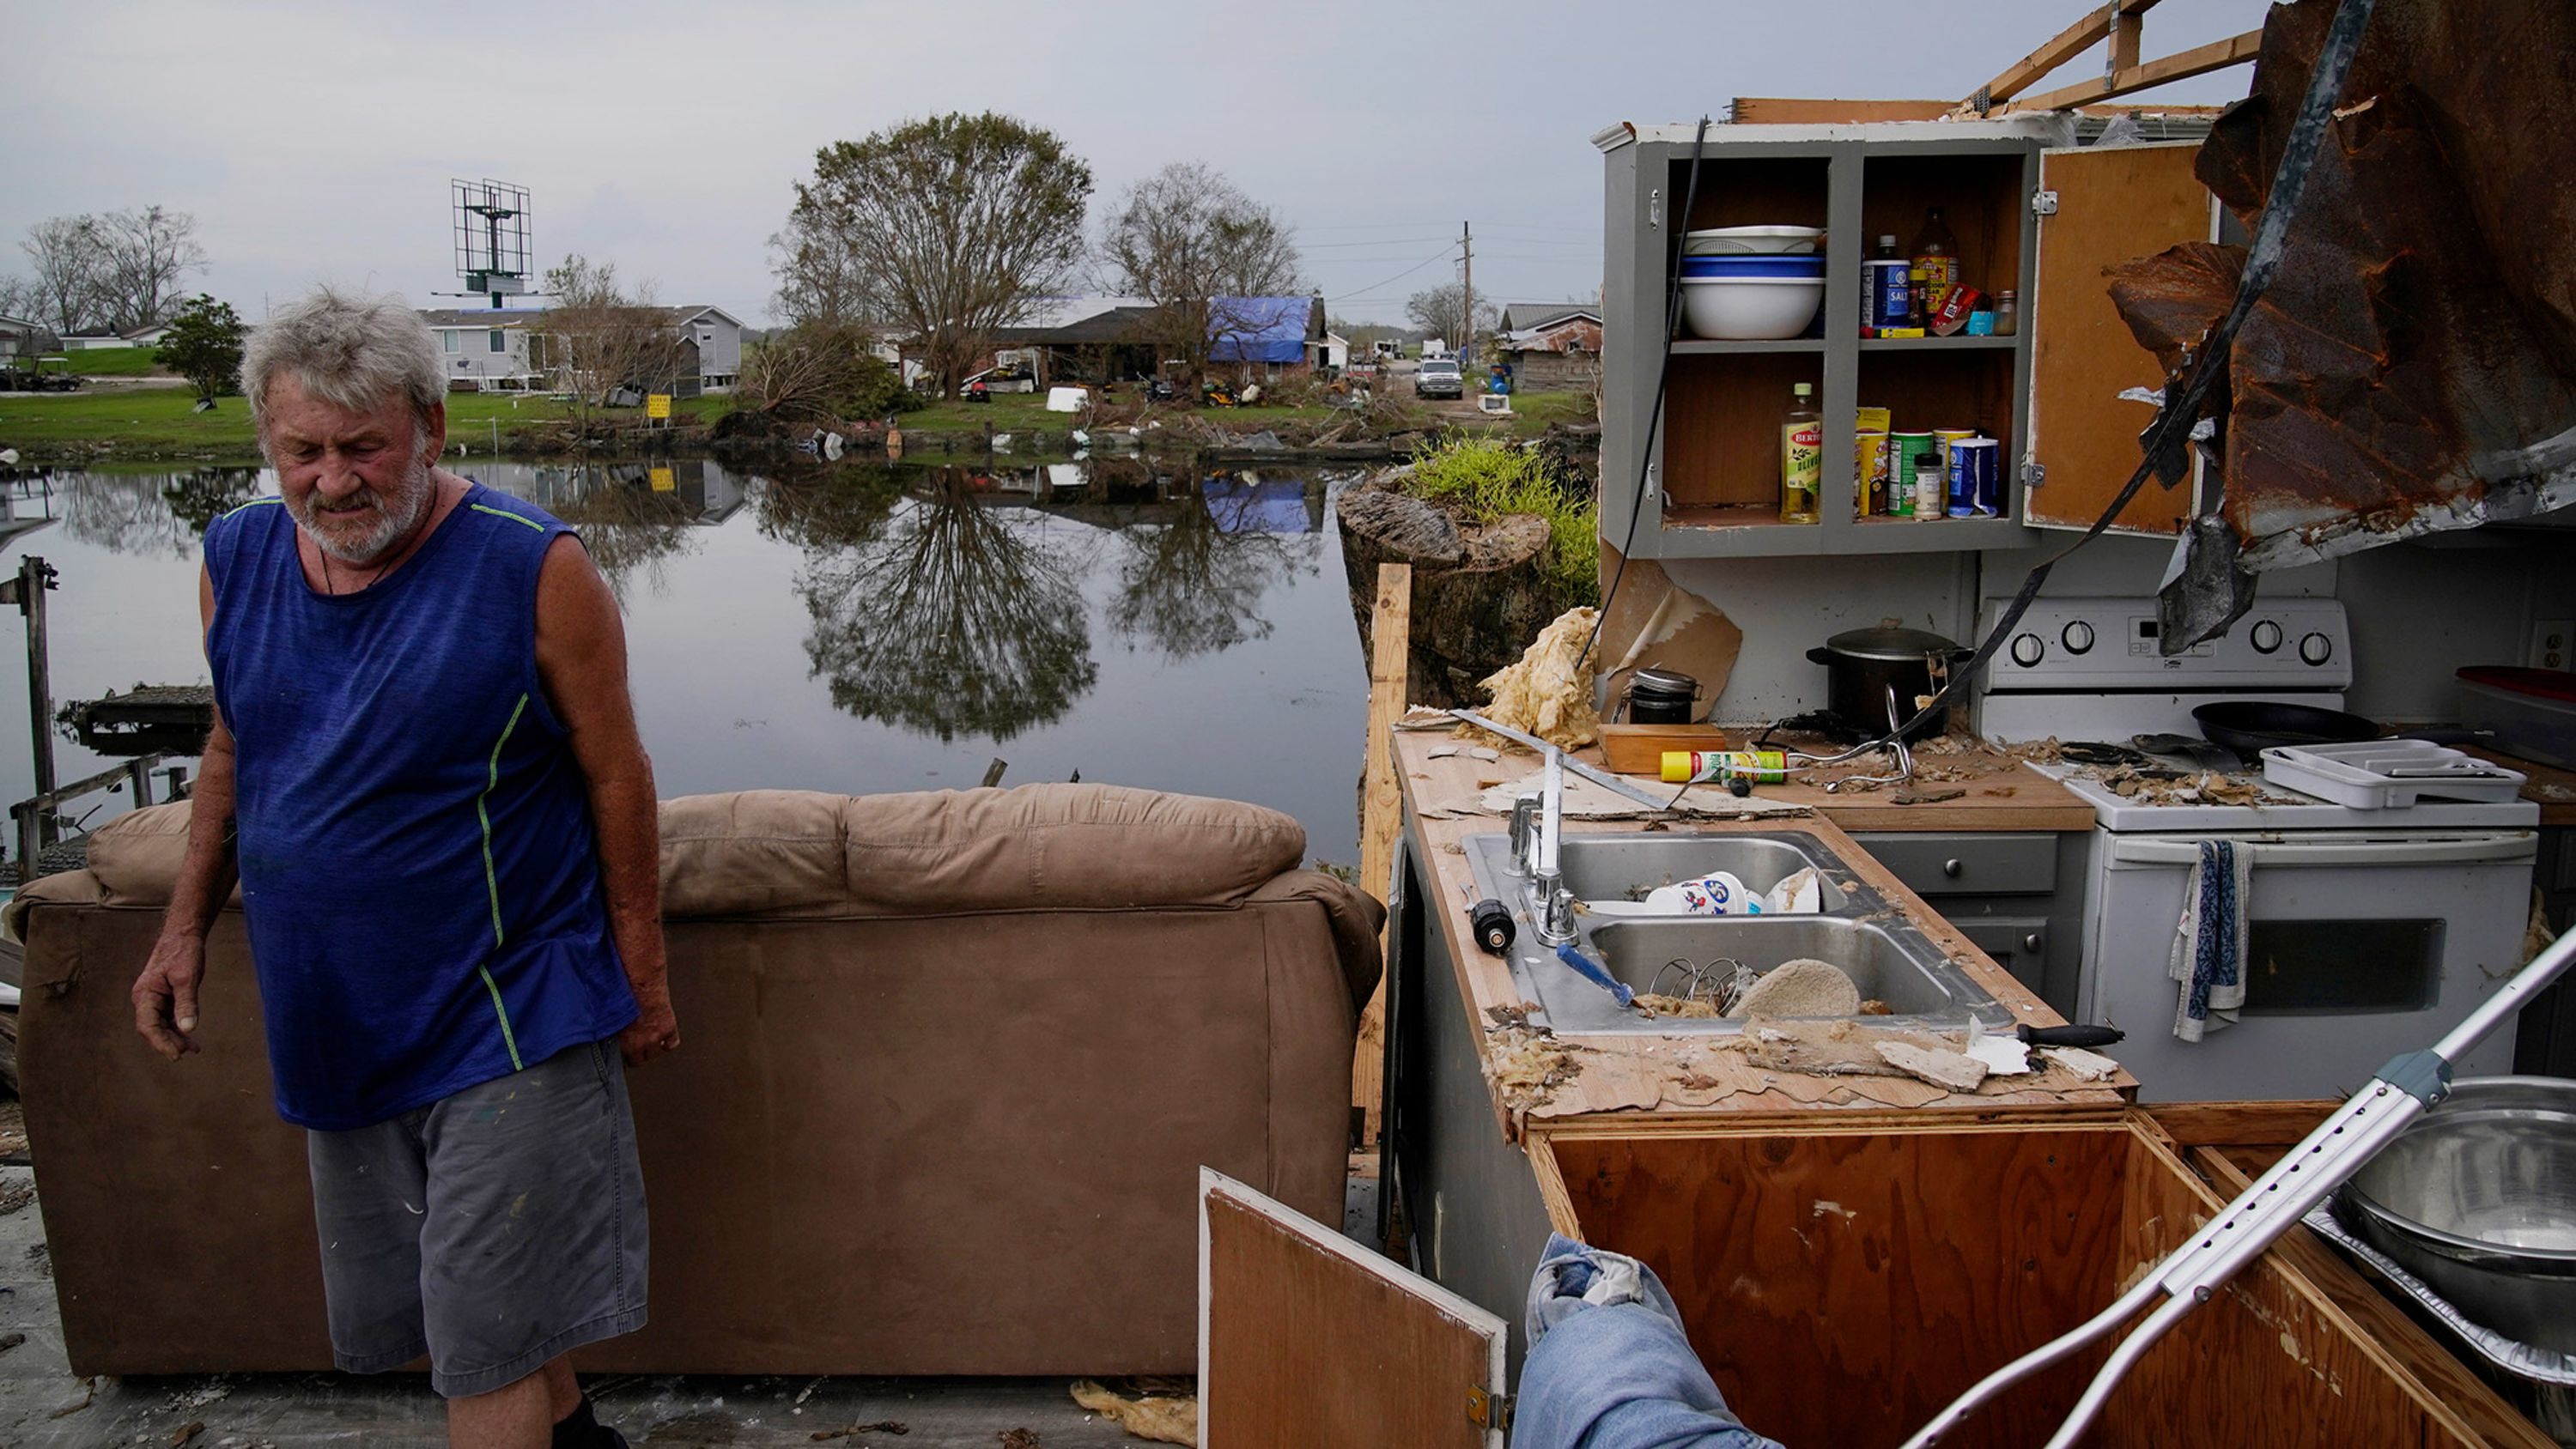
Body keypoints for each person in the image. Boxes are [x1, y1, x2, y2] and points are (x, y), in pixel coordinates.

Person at [130, 286, 678, 1449]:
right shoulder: (234, 559)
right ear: (270, 447)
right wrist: (182, 931)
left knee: (480, 1341)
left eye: (364, 448)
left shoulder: (536, 567)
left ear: (428, 426)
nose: (335, 481)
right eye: (303, 453)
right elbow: (235, 748)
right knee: (477, 1316)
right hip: (334, 1010)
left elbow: (617, 775)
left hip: (510, 1004)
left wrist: (643, 971)